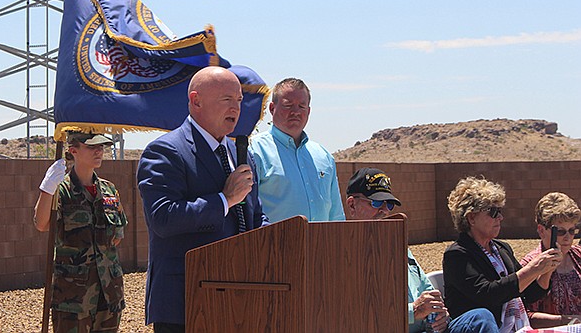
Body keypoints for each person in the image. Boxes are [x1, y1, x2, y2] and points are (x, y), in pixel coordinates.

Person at [136, 66, 269, 333]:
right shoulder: (166, 151)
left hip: (241, 294)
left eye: (239, 100)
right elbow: (163, 218)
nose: (236, 107)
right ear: (196, 101)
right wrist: (224, 199)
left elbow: (254, 216)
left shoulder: (241, 153)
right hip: (186, 301)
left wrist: (279, 237)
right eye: (227, 100)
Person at [345, 167, 499, 333]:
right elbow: (354, 313)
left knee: (480, 318)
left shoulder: (399, 246)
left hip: (427, 329)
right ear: (352, 205)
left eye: (389, 205)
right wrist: (414, 311)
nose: (384, 211)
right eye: (375, 203)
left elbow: (428, 292)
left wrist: (440, 314)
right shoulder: (345, 254)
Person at [33, 132, 128, 333]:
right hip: (73, 297)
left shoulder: (109, 190)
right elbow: (41, 224)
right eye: (92, 147)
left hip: (109, 293)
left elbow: (117, 237)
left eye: (101, 146)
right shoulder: (62, 189)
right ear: (73, 150)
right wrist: (47, 189)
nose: (99, 151)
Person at [443, 176, 562, 333]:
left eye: (499, 211)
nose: (500, 217)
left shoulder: (502, 249)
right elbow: (488, 294)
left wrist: (547, 268)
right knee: (483, 316)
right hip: (479, 327)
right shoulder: (457, 254)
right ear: (471, 217)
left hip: (511, 326)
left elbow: (531, 293)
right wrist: (533, 268)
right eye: (493, 212)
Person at [249, 78, 345, 222]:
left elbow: (336, 215)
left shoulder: (323, 156)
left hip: (322, 244)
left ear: (309, 111)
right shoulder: (255, 151)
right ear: (272, 108)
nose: (295, 112)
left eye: (301, 106)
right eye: (288, 105)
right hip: (274, 243)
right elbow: (248, 211)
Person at [520, 192, 581, 328]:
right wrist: (568, 321)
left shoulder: (578, 256)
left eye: (572, 231)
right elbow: (525, 316)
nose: (567, 238)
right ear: (542, 231)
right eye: (560, 231)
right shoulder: (529, 265)